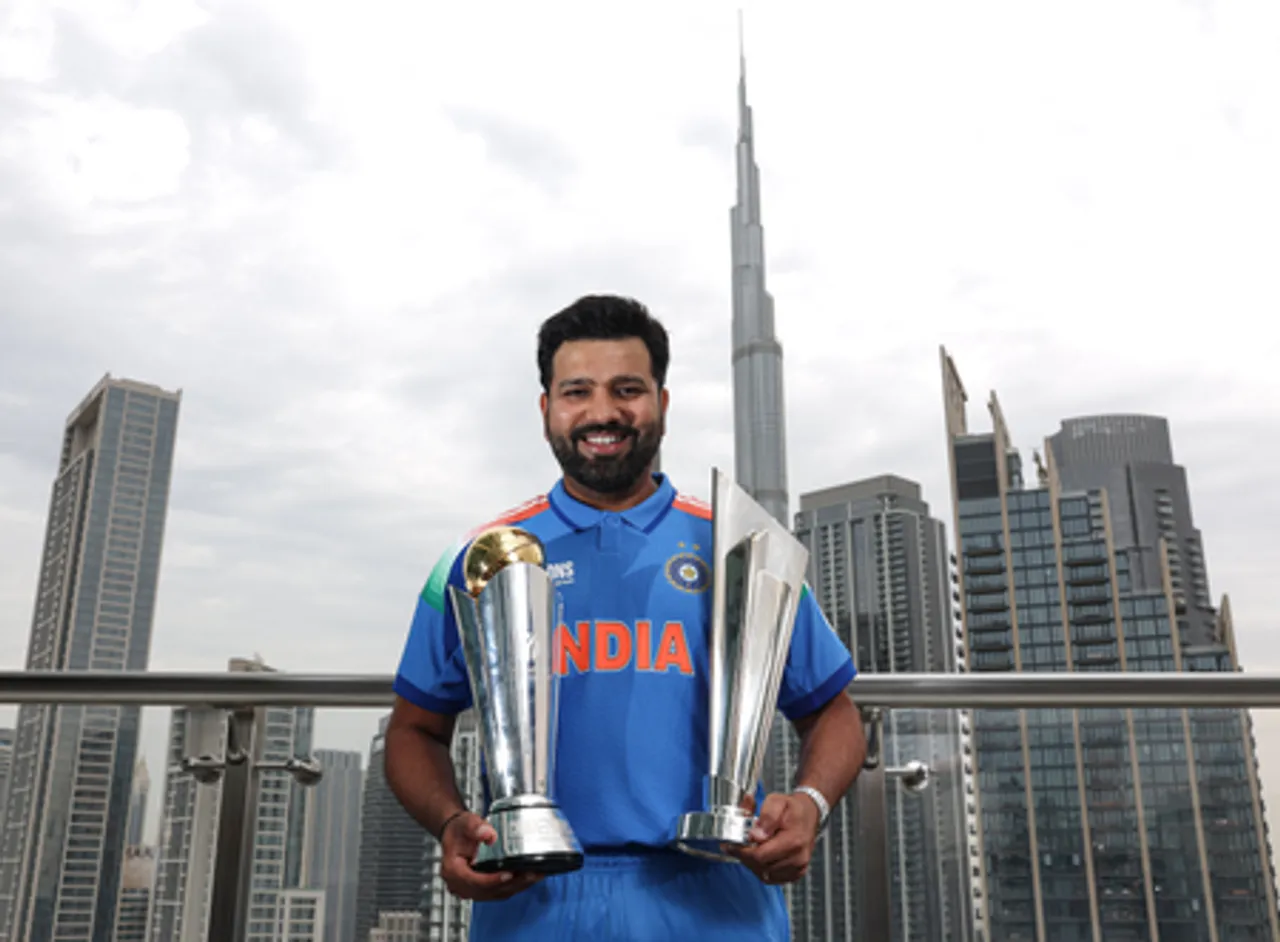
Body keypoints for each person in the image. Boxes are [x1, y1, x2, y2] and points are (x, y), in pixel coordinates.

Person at [385, 294, 866, 940]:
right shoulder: (481, 559)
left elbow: (833, 711)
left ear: (662, 403)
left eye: (627, 389)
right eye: (576, 392)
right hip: (532, 900)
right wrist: (450, 823)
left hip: (717, 899)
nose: (603, 412)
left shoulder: (740, 548)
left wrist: (809, 803)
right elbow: (414, 730)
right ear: (546, 410)